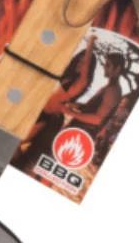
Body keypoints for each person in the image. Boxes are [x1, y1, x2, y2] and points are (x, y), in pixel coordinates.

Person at [14, 34, 97, 170]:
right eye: (79, 60)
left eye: (83, 63)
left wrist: (91, 42)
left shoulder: (79, 84)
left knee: (16, 143)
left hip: (44, 116)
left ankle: (13, 167)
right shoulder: (68, 78)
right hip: (36, 109)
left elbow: (87, 66)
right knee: (13, 139)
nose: (80, 64)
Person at [63, 51, 125, 137]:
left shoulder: (114, 91)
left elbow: (98, 119)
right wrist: (73, 105)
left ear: (117, 69)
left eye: (108, 65)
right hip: (78, 130)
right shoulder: (108, 87)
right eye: (105, 64)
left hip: (81, 134)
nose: (104, 67)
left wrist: (69, 112)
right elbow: (92, 108)